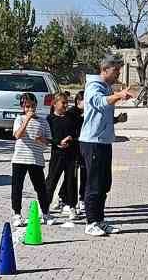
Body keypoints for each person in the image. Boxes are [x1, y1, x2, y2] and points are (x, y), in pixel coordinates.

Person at [79, 54, 133, 237]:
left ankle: (100, 220)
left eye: (119, 69)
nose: (118, 73)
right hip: (92, 142)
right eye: (116, 70)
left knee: (103, 184)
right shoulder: (94, 86)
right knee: (93, 184)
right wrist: (118, 95)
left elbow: (101, 115)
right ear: (104, 70)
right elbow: (99, 103)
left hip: (104, 141)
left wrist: (117, 119)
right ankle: (90, 222)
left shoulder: (106, 87)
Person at [11, 92, 55, 229]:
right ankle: (17, 214)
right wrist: (27, 120)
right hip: (20, 158)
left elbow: (48, 140)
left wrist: (42, 139)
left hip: (36, 159)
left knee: (40, 188)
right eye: (26, 106)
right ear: (22, 107)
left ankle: (45, 213)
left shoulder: (43, 121)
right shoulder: (19, 119)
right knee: (17, 187)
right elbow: (17, 135)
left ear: (36, 105)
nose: (29, 109)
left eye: (31, 106)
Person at [46, 91, 81, 218]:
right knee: (51, 180)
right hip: (57, 154)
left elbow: (77, 132)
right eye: (63, 103)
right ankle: (44, 206)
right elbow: (47, 137)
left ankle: (71, 206)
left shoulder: (71, 117)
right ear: (55, 104)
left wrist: (70, 138)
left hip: (71, 154)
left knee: (71, 181)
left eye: (67, 103)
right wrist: (58, 143)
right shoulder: (50, 119)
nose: (66, 106)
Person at [74, 90, 86, 213]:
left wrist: (116, 120)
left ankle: (82, 199)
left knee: (84, 174)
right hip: (74, 148)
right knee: (71, 176)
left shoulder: (89, 113)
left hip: (85, 148)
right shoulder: (73, 113)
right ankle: (64, 198)